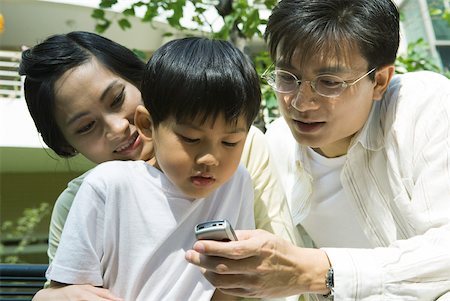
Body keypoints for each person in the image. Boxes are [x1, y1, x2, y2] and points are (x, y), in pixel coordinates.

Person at [185, 0, 450, 300]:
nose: (300, 103)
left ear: (380, 81)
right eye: (287, 78)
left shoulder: (424, 108)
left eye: (329, 83)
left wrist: (320, 271)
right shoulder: (276, 147)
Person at [21, 32, 297, 301]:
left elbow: (268, 270)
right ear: (68, 146)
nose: (118, 127)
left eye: (117, 99)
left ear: (142, 80)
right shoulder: (89, 194)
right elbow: (67, 290)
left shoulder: (243, 157)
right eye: (86, 126)